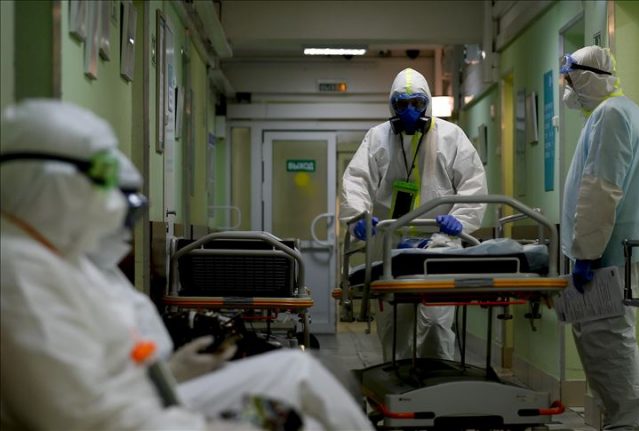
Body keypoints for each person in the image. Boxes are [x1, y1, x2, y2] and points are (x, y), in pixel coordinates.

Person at [0, 99, 373, 431]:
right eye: (102, 178)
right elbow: (88, 418)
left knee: (297, 372)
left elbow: (107, 371)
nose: (114, 206)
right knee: (298, 416)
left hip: (149, 398)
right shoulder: (18, 276)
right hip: (139, 418)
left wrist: (172, 372)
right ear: (48, 182)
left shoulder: (65, 261)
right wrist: (218, 425)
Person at [339, 68, 487, 361]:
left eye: (417, 103)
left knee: (435, 324)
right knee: (395, 326)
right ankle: (398, 382)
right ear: (391, 105)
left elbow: (473, 184)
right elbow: (356, 180)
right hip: (391, 247)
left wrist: (460, 220)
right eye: (402, 103)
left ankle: (438, 381)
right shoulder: (378, 138)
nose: (409, 110)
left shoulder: (451, 137)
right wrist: (358, 217)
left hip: (440, 245)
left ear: (427, 103)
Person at [559, 46, 639, 429]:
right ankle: (624, 421)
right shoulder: (622, 113)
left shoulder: (611, 115)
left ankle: (629, 424)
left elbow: (601, 189)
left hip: (604, 258)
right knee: (605, 345)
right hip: (610, 254)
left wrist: (586, 253)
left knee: (609, 346)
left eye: (569, 80)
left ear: (586, 78)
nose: (567, 89)